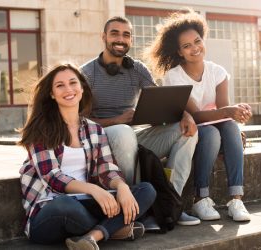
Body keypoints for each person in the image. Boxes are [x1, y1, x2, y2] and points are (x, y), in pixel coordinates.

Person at [18, 63, 156, 250]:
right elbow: (52, 178)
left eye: (73, 83)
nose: (68, 89)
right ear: (51, 94)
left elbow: (107, 169)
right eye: (60, 85)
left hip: (85, 202)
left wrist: (121, 187)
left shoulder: (94, 129)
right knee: (65, 205)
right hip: (49, 210)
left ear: (82, 88)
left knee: (146, 190)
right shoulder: (41, 130)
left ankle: (92, 236)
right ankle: (114, 229)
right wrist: (93, 189)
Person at [81, 16, 200, 226]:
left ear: (131, 40)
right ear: (104, 37)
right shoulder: (87, 73)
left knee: (188, 130)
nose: (121, 38)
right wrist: (116, 120)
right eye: (115, 33)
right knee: (123, 132)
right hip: (103, 141)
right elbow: (81, 123)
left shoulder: (137, 69)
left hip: (134, 136)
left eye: (126, 34)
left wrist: (185, 115)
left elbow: (162, 100)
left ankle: (169, 205)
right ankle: (135, 210)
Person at [145, 10, 252, 222]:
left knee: (230, 128)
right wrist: (229, 111)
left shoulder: (217, 71)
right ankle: (200, 198)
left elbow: (223, 110)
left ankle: (236, 199)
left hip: (215, 129)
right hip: (193, 130)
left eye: (197, 41)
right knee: (211, 132)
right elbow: (197, 116)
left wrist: (236, 114)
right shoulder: (174, 77)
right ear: (179, 51)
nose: (195, 48)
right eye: (187, 46)